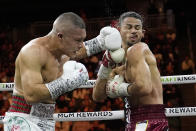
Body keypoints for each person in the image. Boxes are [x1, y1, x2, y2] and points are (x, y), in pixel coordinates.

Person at [3, 12, 122, 131]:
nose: (80, 45)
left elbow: (82, 49)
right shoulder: (32, 52)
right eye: (77, 40)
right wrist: (66, 82)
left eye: (82, 40)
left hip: (46, 121)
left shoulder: (63, 51)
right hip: (23, 120)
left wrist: (101, 42)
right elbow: (31, 96)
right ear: (60, 36)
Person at [93, 11, 169, 131]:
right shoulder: (118, 58)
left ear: (142, 33)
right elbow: (97, 96)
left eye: (137, 28)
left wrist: (120, 89)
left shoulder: (138, 49)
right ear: (118, 30)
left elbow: (144, 87)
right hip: (134, 119)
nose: (133, 30)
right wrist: (105, 67)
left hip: (148, 118)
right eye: (128, 27)